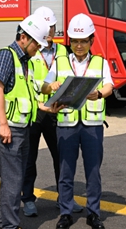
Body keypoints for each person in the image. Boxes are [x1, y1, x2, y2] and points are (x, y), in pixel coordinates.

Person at [42, 13, 114, 229]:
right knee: (66, 171)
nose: (79, 45)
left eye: (83, 41)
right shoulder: (60, 61)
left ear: (92, 40)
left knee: (93, 171)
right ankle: (65, 213)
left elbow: (110, 86)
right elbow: (44, 86)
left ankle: (94, 213)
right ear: (70, 42)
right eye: (75, 41)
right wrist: (51, 86)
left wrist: (99, 94)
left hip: (92, 125)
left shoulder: (100, 62)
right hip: (66, 124)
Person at [0, 14, 55, 229]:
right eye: (37, 43)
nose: (38, 48)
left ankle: (7, 223)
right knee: (13, 180)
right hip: (8, 130)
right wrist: (4, 124)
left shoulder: (26, 62)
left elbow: (26, 96)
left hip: (21, 128)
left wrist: (47, 107)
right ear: (24, 38)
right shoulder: (7, 56)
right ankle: (9, 225)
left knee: (15, 178)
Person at [22, 6, 83, 217]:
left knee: (62, 157)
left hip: (57, 111)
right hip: (35, 111)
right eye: (45, 27)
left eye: (52, 27)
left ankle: (64, 198)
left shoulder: (63, 51)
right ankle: (28, 199)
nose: (49, 32)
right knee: (29, 158)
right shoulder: (29, 51)